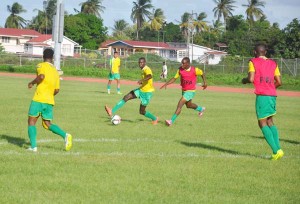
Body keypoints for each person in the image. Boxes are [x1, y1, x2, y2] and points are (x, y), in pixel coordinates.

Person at [242, 43, 284, 160]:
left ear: (255, 52)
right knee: (270, 121)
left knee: (262, 123)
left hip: (263, 96)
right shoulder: (273, 63)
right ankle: (278, 150)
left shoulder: (253, 61)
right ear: (265, 52)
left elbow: (250, 79)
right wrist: (270, 88)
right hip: (272, 95)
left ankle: (276, 151)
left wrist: (244, 80)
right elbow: (279, 82)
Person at [27, 48, 72, 152]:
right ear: (52, 58)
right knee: (47, 124)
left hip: (39, 99)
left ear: (43, 56)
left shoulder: (41, 65)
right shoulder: (56, 71)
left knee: (31, 122)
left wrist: (32, 83)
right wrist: (49, 95)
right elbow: (57, 90)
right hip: (50, 100)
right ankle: (65, 135)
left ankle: (33, 147)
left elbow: (41, 76)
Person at [105, 57, 159, 125]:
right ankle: (111, 111)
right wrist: (143, 82)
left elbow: (150, 76)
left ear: (145, 63)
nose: (140, 64)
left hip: (147, 93)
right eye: (139, 62)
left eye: (142, 62)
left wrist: (141, 80)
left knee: (142, 111)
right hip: (141, 90)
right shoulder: (143, 69)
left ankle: (155, 118)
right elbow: (147, 79)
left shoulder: (147, 69)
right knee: (126, 97)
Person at [160, 57, 207, 126]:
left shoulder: (195, 70)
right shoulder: (180, 69)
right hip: (184, 90)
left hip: (190, 91)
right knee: (189, 105)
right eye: (181, 63)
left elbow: (202, 73)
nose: (182, 65)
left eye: (183, 63)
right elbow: (174, 78)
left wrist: (205, 82)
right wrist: (166, 83)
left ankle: (171, 121)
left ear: (188, 63)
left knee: (180, 104)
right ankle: (201, 109)